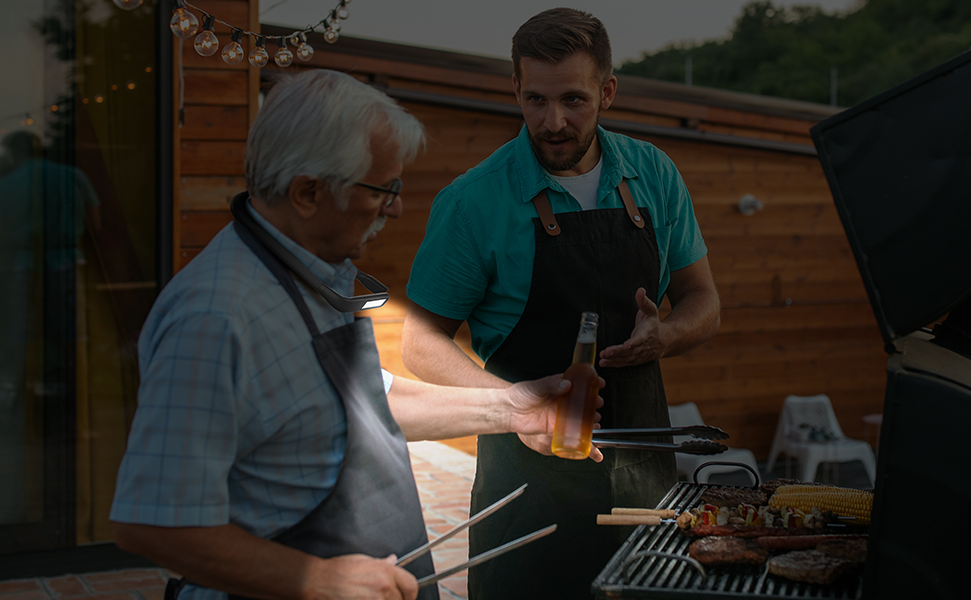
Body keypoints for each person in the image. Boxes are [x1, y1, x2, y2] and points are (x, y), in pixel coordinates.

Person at [110, 69, 597, 600]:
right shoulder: (214, 317)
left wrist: (510, 409)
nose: (396, 207)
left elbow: (368, 401)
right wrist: (313, 578)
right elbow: (153, 524)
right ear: (307, 192)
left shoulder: (313, 270)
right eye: (381, 189)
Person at [401, 8, 721, 599]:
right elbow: (419, 343)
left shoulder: (653, 173)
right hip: (527, 491)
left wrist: (667, 336)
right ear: (516, 89)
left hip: (646, 483)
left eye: (574, 100)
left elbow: (704, 300)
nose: (553, 122)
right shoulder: (472, 202)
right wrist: (513, 406)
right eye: (536, 101)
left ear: (608, 91)